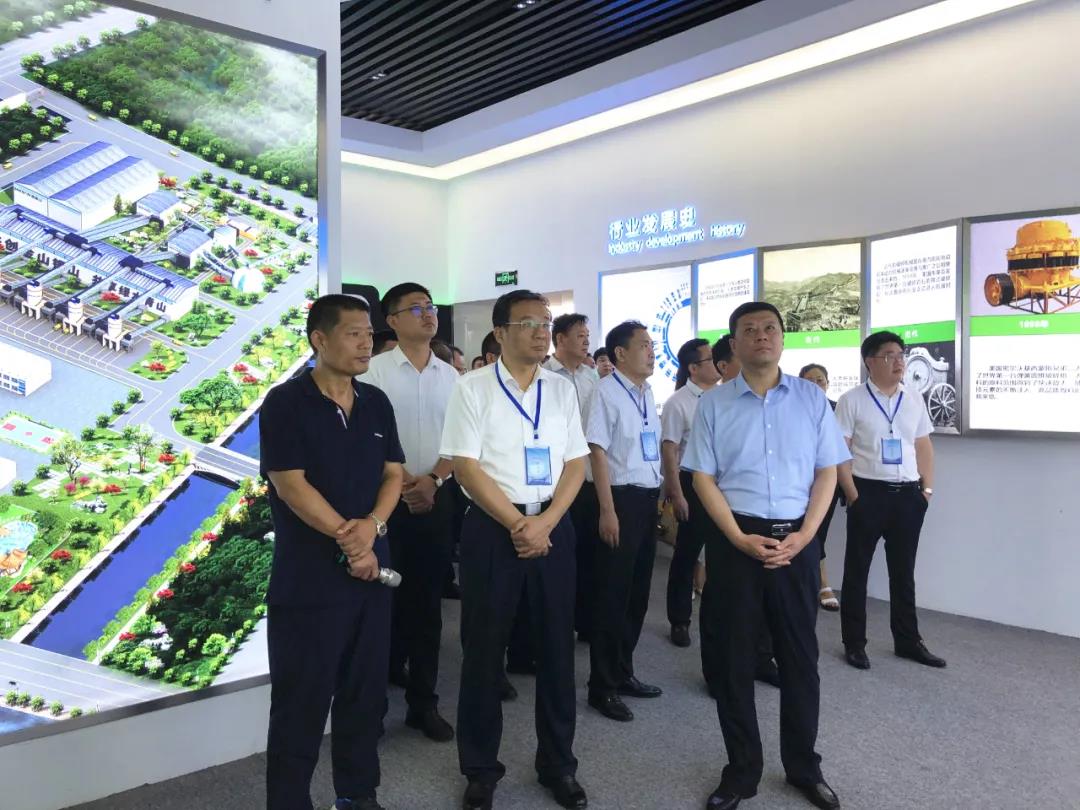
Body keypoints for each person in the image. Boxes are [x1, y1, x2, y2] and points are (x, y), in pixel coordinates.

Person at [683, 301, 850, 810]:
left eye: (770, 328)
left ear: (782, 338)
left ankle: (804, 767)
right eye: (750, 329)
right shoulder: (714, 404)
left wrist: (807, 536)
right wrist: (736, 538)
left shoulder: (811, 399)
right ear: (734, 344)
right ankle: (741, 772)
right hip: (737, 542)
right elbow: (702, 477)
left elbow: (827, 471)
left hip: (797, 541)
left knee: (800, 659)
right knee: (733, 662)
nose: (762, 336)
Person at [441, 289, 589, 810]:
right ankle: (481, 769)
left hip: (552, 527)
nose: (541, 331)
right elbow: (465, 466)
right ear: (500, 332)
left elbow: (576, 462)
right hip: (491, 530)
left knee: (557, 651)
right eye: (528, 323)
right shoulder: (472, 388)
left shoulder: (561, 389)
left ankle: (558, 765)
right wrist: (517, 524)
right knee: (484, 652)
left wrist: (546, 522)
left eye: (545, 322)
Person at [260, 294, 405, 810]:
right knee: (300, 704)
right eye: (354, 333)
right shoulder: (285, 402)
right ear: (319, 339)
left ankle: (358, 794)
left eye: (369, 333)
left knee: (365, 698)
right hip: (309, 583)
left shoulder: (376, 402)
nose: (367, 343)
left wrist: (374, 527)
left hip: (371, 577)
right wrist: (352, 539)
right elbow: (291, 485)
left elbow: (393, 474)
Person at [364, 284, 460, 743]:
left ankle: (424, 704)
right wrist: (405, 484)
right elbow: (370, 439)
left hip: (437, 499)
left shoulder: (452, 376)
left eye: (431, 306)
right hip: (386, 504)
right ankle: (374, 707)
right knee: (382, 602)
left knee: (427, 605)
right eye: (416, 308)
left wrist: (434, 481)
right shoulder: (373, 372)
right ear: (393, 320)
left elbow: (462, 440)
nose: (428, 314)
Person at [836, 332, 945, 671]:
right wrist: (852, 493)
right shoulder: (852, 400)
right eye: (889, 355)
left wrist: (927, 491)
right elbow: (839, 451)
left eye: (901, 354)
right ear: (870, 361)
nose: (899, 362)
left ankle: (908, 641)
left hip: (909, 496)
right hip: (867, 494)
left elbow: (923, 446)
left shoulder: (912, 398)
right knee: (857, 571)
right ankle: (855, 643)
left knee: (903, 572)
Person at [585, 320, 664, 723]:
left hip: (646, 501)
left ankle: (623, 672)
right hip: (619, 501)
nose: (651, 352)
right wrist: (607, 510)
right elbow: (596, 452)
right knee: (611, 597)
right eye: (644, 345)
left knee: (637, 595)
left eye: (652, 345)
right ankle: (602, 687)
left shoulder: (647, 392)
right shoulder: (605, 392)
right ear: (620, 353)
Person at [543, 313, 601, 644]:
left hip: (588, 478)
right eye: (580, 335)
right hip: (556, 481)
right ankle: (555, 623)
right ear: (560, 339)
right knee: (558, 558)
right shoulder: (545, 376)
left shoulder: (593, 378)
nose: (586, 341)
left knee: (588, 555)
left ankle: (584, 619)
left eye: (587, 335)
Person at [662, 339, 721, 649]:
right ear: (694, 368)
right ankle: (679, 620)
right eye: (711, 359)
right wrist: (676, 493)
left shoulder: (725, 396)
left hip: (722, 483)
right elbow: (670, 450)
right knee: (686, 554)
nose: (718, 362)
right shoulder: (679, 402)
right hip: (692, 482)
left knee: (721, 555)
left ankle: (717, 618)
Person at [798, 364, 841, 612]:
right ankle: (817, 583)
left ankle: (820, 582)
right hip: (797, 482)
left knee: (817, 532)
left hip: (827, 482)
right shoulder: (789, 408)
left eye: (820, 380)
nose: (815, 385)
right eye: (809, 381)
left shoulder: (836, 409)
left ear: (827, 384)